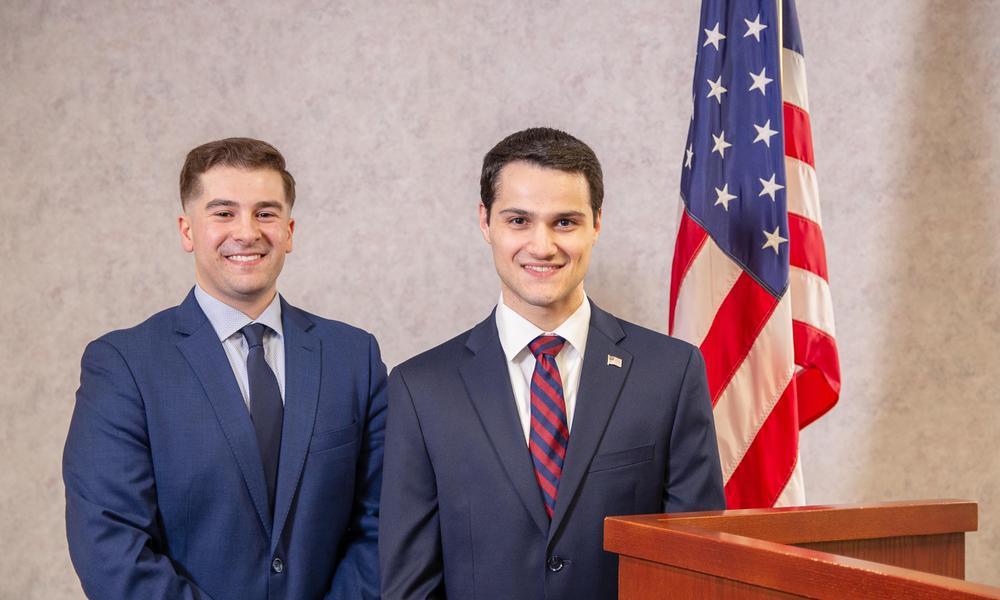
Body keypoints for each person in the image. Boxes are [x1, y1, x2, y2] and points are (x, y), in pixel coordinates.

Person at [380, 127, 725, 600]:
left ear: (596, 224)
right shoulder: (421, 389)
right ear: (485, 222)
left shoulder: (671, 373)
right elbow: (409, 586)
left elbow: (693, 571)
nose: (542, 246)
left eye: (565, 222)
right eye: (519, 221)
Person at [63, 137, 385, 599]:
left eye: (266, 213)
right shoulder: (123, 366)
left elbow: (381, 523)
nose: (248, 232)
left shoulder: (355, 357)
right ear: (187, 230)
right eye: (223, 212)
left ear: (290, 231)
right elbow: (110, 545)